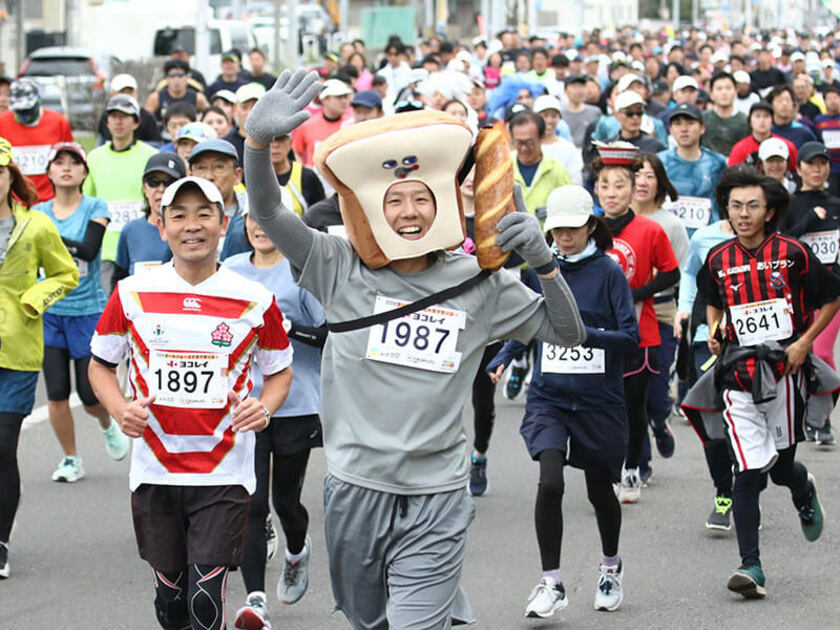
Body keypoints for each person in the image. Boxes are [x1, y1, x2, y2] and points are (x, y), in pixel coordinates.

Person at [243, 69, 585, 630]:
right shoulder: (337, 263)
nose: (408, 212)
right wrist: (257, 145)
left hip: (439, 490)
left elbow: (567, 333)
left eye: (421, 199)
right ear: (373, 208)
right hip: (356, 485)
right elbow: (269, 213)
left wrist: (545, 263)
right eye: (394, 200)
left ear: (444, 203)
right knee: (370, 620)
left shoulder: (479, 281)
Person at [89, 176, 294, 630]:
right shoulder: (132, 293)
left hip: (224, 471)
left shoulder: (254, 299)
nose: (192, 225)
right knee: (171, 602)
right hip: (155, 470)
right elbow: (100, 365)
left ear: (224, 223)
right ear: (162, 226)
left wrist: (263, 408)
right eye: (179, 215)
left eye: (204, 214)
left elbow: (280, 371)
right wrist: (120, 409)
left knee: (205, 599)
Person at [684, 166, 840, 598]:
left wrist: (805, 343)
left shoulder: (793, 253)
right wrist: (716, 330)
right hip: (737, 376)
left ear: (769, 211)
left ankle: (803, 488)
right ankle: (750, 566)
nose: (743, 214)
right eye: (735, 206)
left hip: (784, 374)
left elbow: (832, 297)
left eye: (752, 206)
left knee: (782, 468)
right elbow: (712, 301)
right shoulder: (718, 259)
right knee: (749, 471)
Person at [486, 185, 638, 617]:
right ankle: (550, 582)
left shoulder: (608, 272)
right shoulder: (539, 270)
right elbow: (528, 321)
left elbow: (630, 337)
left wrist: (584, 336)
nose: (565, 237)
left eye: (573, 228)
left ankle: (610, 566)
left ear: (590, 225)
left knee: (599, 491)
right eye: (557, 229)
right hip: (549, 396)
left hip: (598, 400)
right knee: (550, 481)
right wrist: (505, 354)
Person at [225, 212, 326, 629]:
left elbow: (328, 333)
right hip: (245, 404)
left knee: (285, 502)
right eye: (252, 218)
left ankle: (297, 551)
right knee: (252, 502)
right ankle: (256, 601)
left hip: (296, 402)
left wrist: (286, 328)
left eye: (268, 217)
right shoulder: (230, 270)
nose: (259, 226)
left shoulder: (302, 272)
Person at [0, 137, 79, 578]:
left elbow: (66, 273)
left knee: (2, 446)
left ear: (11, 177)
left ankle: (0, 541)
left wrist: (35, 298)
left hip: (17, 350)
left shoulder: (36, 225)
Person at [36, 142, 129, 483]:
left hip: (87, 311)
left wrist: (49, 239)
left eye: (74, 162)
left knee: (90, 396)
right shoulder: (38, 212)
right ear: (48, 172)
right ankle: (71, 458)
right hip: (50, 312)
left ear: (84, 172)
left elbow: (89, 250)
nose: (66, 168)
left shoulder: (95, 206)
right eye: (59, 162)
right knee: (57, 393)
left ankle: (105, 423)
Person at [594, 145, 680, 502]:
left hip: (640, 332)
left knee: (634, 406)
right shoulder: (586, 229)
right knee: (602, 407)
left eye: (619, 185)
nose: (611, 193)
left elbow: (671, 272)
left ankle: (631, 469)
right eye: (604, 185)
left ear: (633, 189)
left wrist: (634, 294)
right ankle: (606, 468)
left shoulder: (650, 230)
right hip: (596, 333)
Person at [778, 141, 840, 445]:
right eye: (810, 164)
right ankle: (801, 413)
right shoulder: (788, 204)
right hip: (799, 291)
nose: (817, 169)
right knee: (801, 354)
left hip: (832, 290)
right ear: (799, 168)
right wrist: (809, 222)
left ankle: (823, 418)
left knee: (823, 352)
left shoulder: (836, 202)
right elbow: (782, 242)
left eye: (822, 163)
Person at [632, 153, 689, 470]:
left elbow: (683, 275)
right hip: (625, 315)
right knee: (632, 394)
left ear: (660, 183)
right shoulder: (614, 220)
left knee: (655, 395)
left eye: (649, 175)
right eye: (636, 174)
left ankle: (659, 419)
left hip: (662, 312)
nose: (642, 182)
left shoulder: (671, 225)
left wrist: (684, 314)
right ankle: (639, 464)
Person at [83, 94, 159, 264]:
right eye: (113, 116)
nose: (118, 122)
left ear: (136, 122)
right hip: (106, 249)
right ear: (107, 122)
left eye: (124, 116)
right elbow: (87, 201)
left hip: (143, 245)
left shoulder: (152, 156)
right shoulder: (94, 157)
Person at [112, 152, 185, 288]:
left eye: (170, 182)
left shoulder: (192, 231)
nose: (161, 189)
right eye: (153, 182)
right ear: (145, 188)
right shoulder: (131, 230)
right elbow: (118, 282)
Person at [657, 103, 727, 236]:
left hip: (708, 237)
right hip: (668, 235)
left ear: (702, 128)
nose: (684, 129)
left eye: (690, 123)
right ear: (670, 129)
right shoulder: (659, 161)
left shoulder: (717, 162)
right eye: (678, 124)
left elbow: (724, 202)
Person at [0, 79, 73, 203]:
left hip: (51, 200)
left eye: (27, 110)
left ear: (38, 101)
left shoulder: (58, 122)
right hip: (13, 202)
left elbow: (70, 160)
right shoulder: (2, 123)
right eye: (18, 111)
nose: (24, 115)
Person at [187, 139, 248, 260]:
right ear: (190, 177)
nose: (209, 176)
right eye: (201, 168)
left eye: (219, 167)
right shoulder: (180, 217)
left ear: (237, 175)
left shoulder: (252, 212)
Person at [510, 110, 573, 214]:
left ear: (542, 137)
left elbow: (571, 207)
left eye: (529, 142)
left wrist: (554, 211)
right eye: (519, 142)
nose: (524, 148)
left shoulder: (557, 172)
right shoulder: (503, 168)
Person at [291, 79, 353, 168]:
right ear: (325, 99)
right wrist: (303, 170)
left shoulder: (351, 125)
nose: (344, 101)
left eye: (345, 97)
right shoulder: (307, 125)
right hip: (315, 176)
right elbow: (296, 151)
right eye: (339, 97)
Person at [728, 101, 798, 173]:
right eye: (757, 116)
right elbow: (732, 175)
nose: (762, 120)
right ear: (750, 122)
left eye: (766, 116)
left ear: (772, 120)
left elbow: (796, 171)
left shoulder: (786, 146)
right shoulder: (740, 149)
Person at [98, 74, 162, 146]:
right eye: (122, 92)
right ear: (112, 94)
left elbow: (157, 144)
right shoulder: (107, 114)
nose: (126, 95)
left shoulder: (146, 117)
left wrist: (132, 146)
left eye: (130, 92)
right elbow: (101, 143)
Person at [269, 134, 325, 217]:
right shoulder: (253, 178)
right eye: (270, 140)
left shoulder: (307, 176)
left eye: (281, 139)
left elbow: (321, 214)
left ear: (290, 143)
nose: (275, 145)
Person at [144, 59, 209, 130]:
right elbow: (145, 121)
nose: (176, 80)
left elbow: (211, 116)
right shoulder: (155, 98)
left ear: (187, 77)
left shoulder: (198, 98)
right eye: (172, 76)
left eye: (180, 75)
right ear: (166, 78)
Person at [534, 95, 583, 185]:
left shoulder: (568, 148)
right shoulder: (529, 147)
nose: (549, 120)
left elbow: (576, 181)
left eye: (554, 116)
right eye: (545, 116)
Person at [702, 72, 750, 157]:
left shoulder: (745, 121)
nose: (724, 92)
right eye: (719, 89)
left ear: (735, 93)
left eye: (728, 88)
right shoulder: (703, 119)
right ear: (711, 95)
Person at [224, 83, 266, 167]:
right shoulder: (226, 144)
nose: (250, 113)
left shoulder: (277, 141)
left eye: (255, 107)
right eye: (244, 107)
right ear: (235, 110)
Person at [561, 74, 602, 149]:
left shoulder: (595, 112)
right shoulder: (560, 114)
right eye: (574, 87)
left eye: (581, 87)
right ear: (565, 91)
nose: (578, 90)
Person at [813, 85, 840, 195]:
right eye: (829, 98)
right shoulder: (819, 120)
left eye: (835, 98)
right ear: (824, 101)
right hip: (830, 168)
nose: (833, 101)